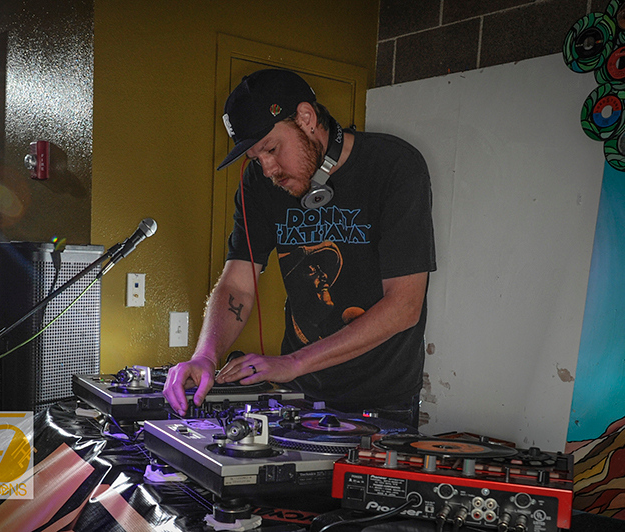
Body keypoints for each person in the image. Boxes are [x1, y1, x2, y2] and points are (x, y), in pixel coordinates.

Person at [163, 69, 436, 427]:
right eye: (256, 158)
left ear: (306, 118)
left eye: (271, 149)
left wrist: (293, 363)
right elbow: (238, 284)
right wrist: (206, 356)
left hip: (382, 403)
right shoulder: (259, 184)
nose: (268, 170)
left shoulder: (394, 167)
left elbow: (404, 306)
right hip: (299, 396)